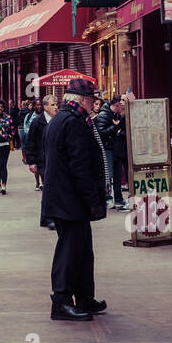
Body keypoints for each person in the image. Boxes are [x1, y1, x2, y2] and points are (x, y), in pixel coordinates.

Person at [41, 78, 108, 321]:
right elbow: (80, 167)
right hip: (70, 201)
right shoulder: (74, 123)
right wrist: (92, 200)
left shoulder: (63, 120)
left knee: (82, 251)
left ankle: (84, 297)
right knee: (70, 252)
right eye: (92, 99)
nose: (94, 104)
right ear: (81, 99)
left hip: (65, 199)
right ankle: (61, 301)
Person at [91, 95, 128, 212]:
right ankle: (107, 198)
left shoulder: (114, 114)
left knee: (117, 175)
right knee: (108, 175)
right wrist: (115, 127)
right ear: (116, 104)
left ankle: (117, 199)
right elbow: (102, 132)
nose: (122, 106)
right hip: (107, 148)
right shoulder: (104, 114)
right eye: (121, 103)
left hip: (114, 148)